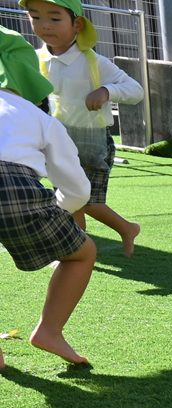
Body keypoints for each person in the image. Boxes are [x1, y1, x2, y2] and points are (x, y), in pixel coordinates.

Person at [0, 26, 94, 369]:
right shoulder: (40, 118)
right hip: (13, 190)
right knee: (82, 253)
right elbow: (78, 190)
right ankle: (49, 331)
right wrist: (55, 210)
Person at [22, 0, 143, 256]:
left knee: (86, 201)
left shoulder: (93, 62)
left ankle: (126, 228)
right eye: (35, 17)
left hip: (92, 145)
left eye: (55, 18)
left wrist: (106, 91)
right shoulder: (35, 60)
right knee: (70, 199)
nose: (44, 25)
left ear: (77, 24)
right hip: (57, 144)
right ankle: (77, 250)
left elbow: (136, 90)